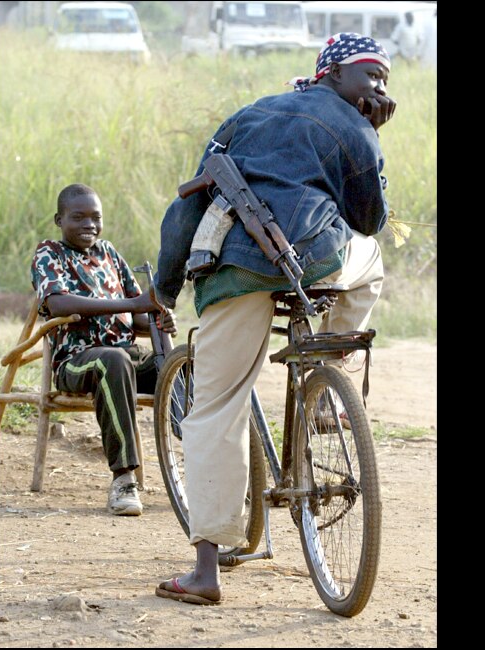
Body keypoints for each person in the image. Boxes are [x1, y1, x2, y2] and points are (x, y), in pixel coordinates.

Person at [151, 32, 396, 605]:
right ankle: (326, 366)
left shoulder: (250, 115)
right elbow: (370, 220)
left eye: (385, 79)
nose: (379, 87)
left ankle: (207, 570)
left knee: (214, 407)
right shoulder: (355, 126)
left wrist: (165, 288)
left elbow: (189, 204)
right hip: (315, 260)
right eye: (370, 74)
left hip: (233, 269)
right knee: (371, 261)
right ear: (332, 75)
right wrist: (370, 141)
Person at [30, 183, 176, 516]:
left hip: (126, 356)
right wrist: (129, 303)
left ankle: (209, 472)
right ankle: (124, 479)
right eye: (78, 217)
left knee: (187, 363)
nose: (88, 225)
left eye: (95, 217)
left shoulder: (109, 253)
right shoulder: (49, 253)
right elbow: (57, 303)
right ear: (59, 219)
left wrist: (157, 318)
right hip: (77, 361)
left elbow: (139, 314)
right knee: (112, 361)